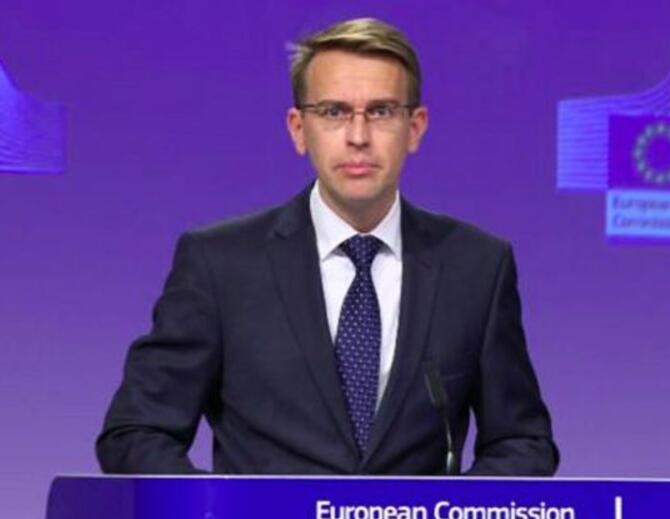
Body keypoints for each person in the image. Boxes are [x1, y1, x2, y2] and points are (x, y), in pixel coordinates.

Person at [96, 17, 558, 476]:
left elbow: (521, 441)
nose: (358, 137)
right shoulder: (219, 264)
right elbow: (135, 433)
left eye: (381, 111)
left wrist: (450, 514)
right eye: (334, 112)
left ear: (415, 127)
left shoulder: (477, 266)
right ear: (299, 128)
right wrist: (219, 513)